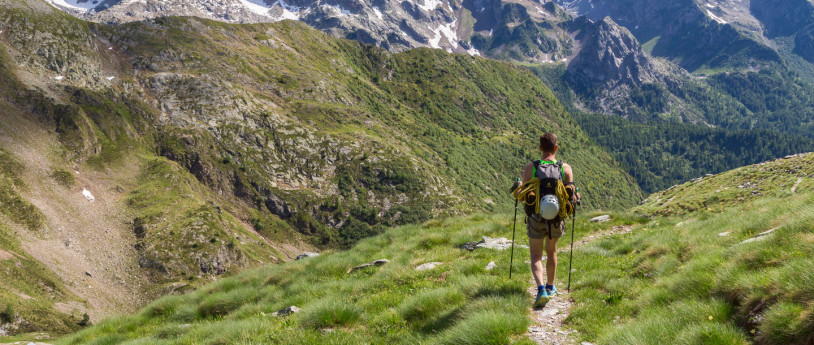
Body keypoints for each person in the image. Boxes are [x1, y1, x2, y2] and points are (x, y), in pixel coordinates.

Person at [516, 133, 580, 307]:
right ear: (556, 148)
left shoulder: (532, 167)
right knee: (552, 251)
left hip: (536, 216)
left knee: (536, 255)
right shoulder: (565, 168)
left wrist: (522, 190)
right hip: (557, 218)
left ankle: (541, 289)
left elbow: (522, 194)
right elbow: (571, 194)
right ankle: (551, 286)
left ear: (540, 148)